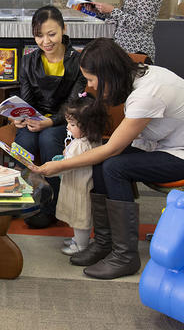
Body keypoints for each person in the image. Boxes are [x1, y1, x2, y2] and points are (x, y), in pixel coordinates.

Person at [29, 38, 184, 280]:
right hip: (167, 145)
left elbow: (112, 149)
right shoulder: (139, 77)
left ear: (108, 74)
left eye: (91, 80)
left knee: (114, 166)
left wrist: (59, 165)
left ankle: (125, 256)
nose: (89, 86)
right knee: (102, 162)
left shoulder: (148, 93)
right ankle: (104, 243)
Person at [14, 5, 86, 229]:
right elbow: (26, 99)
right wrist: (18, 117)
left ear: (64, 29)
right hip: (36, 120)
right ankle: (23, 200)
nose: (45, 41)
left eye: (52, 34)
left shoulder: (78, 62)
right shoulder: (29, 61)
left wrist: (50, 121)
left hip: (66, 120)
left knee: (48, 139)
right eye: (39, 35)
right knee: (24, 140)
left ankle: (52, 206)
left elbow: (73, 103)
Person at [53, 93, 109, 255]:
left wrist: (54, 167)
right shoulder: (93, 140)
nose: (67, 127)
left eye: (72, 124)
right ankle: (78, 240)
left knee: (79, 217)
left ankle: (81, 245)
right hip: (81, 184)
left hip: (79, 186)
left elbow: (67, 166)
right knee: (78, 216)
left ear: (87, 126)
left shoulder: (80, 145)